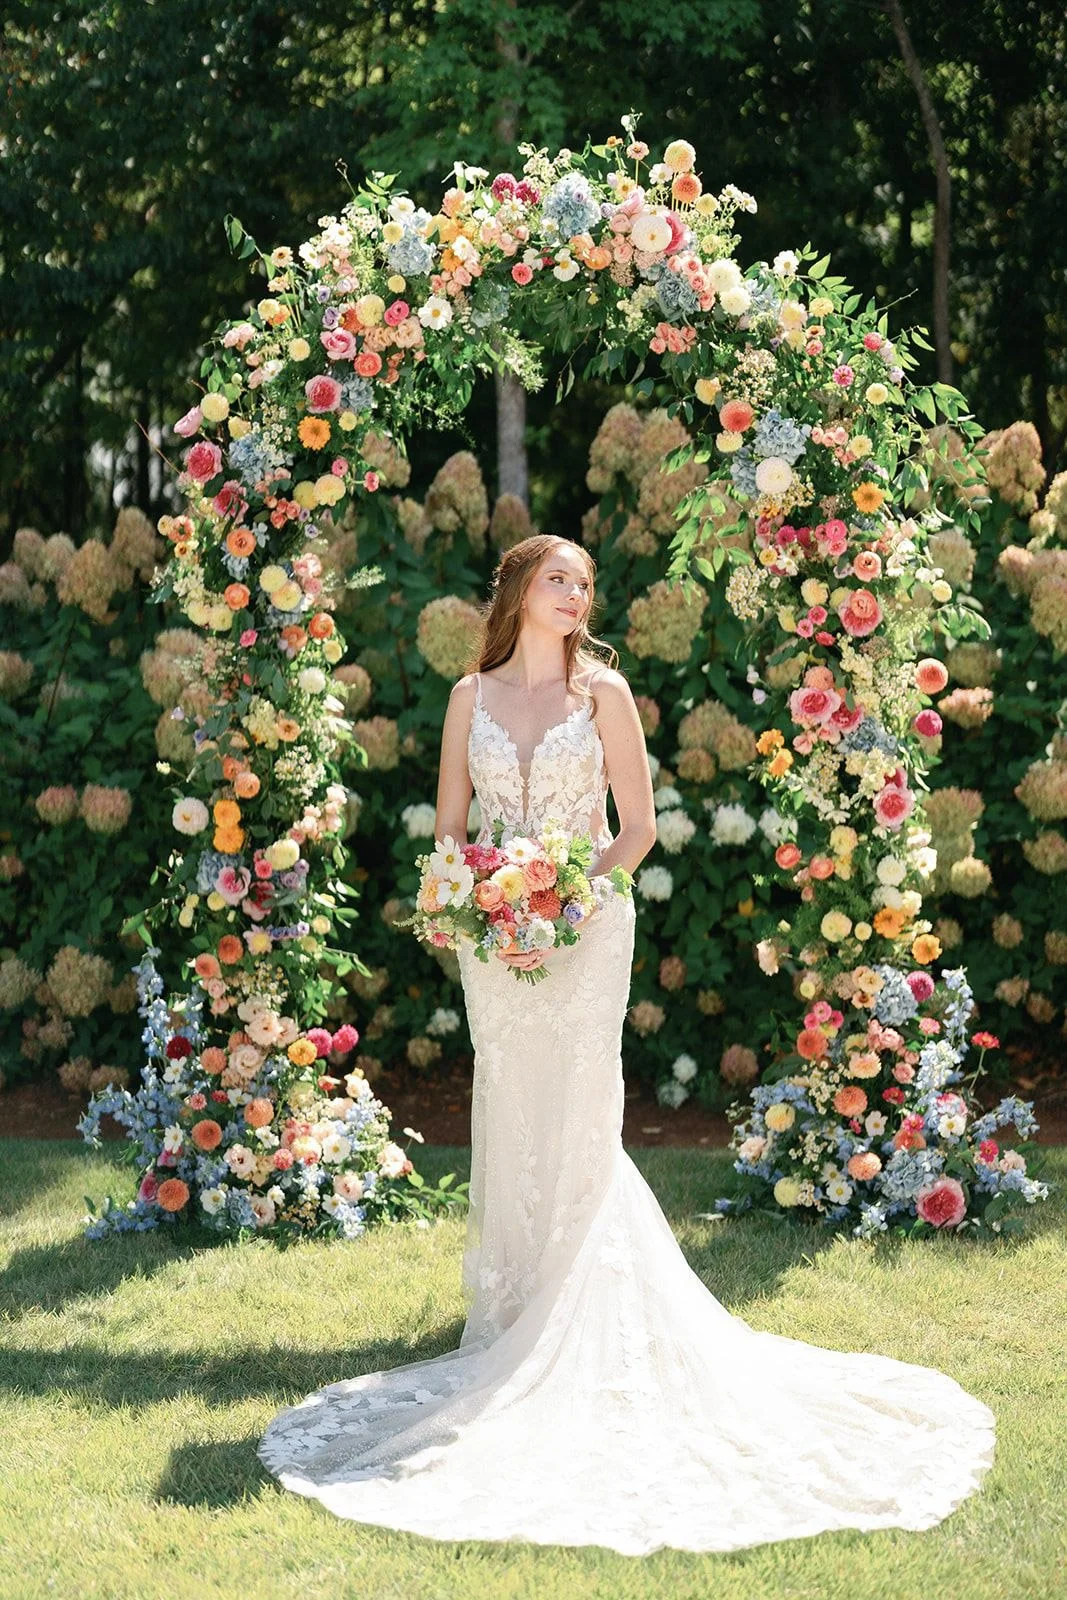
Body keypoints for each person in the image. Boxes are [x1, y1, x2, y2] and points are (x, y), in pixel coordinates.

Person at [257, 534, 995, 1555]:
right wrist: (465, 899)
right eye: (556, 578)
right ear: (517, 588)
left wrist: (564, 893)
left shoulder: (600, 693)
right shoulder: (468, 697)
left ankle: (583, 1300)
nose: (573, 594)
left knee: (581, 1103)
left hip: (585, 921)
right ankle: (516, 1306)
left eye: (583, 584)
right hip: (491, 935)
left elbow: (637, 826)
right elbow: (448, 822)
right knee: (509, 1096)